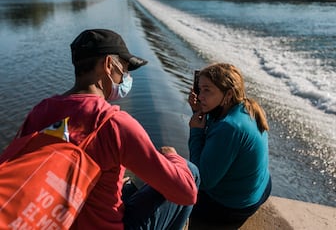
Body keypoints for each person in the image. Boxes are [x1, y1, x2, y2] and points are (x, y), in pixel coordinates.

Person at [15, 29, 199, 229]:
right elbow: (185, 192)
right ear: (109, 65)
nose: (125, 78)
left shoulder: (40, 111)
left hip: (52, 220)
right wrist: (172, 157)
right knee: (190, 172)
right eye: (125, 70)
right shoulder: (113, 123)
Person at [187, 63, 272, 224]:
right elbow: (217, 137)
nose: (200, 96)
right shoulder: (244, 107)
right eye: (200, 89)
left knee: (187, 192)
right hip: (259, 187)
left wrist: (196, 132)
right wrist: (200, 112)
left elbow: (203, 180)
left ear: (228, 95)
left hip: (235, 204)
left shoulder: (229, 127)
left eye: (207, 90)